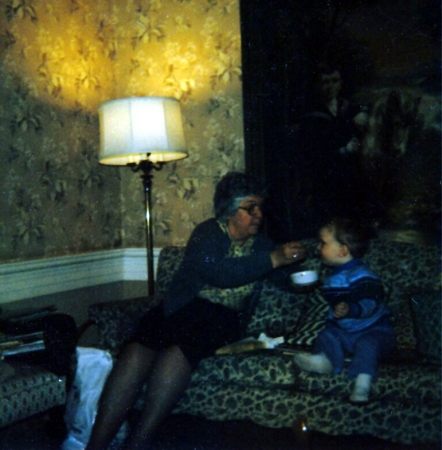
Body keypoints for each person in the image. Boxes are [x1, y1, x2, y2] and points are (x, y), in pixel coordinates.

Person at [85, 171, 306, 449]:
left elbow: (283, 278)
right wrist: (273, 259)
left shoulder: (262, 245)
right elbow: (218, 272)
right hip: (180, 307)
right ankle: (96, 445)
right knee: (139, 346)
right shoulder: (207, 233)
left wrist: (296, 273)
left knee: (179, 350)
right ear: (229, 210)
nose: (259, 214)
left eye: (260, 207)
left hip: (221, 317)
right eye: (250, 207)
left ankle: (138, 443)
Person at [293, 217, 395, 403]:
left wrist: (351, 309)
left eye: (323, 243)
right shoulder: (332, 277)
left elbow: (371, 303)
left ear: (342, 251)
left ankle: (362, 384)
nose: (318, 247)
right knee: (327, 334)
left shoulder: (363, 275)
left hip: (375, 330)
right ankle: (325, 360)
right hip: (346, 332)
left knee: (368, 345)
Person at [293, 63, 368, 237]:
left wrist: (363, 112)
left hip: (349, 177)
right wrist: (345, 150)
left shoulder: (347, 107)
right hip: (323, 180)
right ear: (317, 85)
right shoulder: (311, 115)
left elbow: (367, 108)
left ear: (340, 84)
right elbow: (312, 153)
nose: (331, 86)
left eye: (335, 81)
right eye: (325, 82)